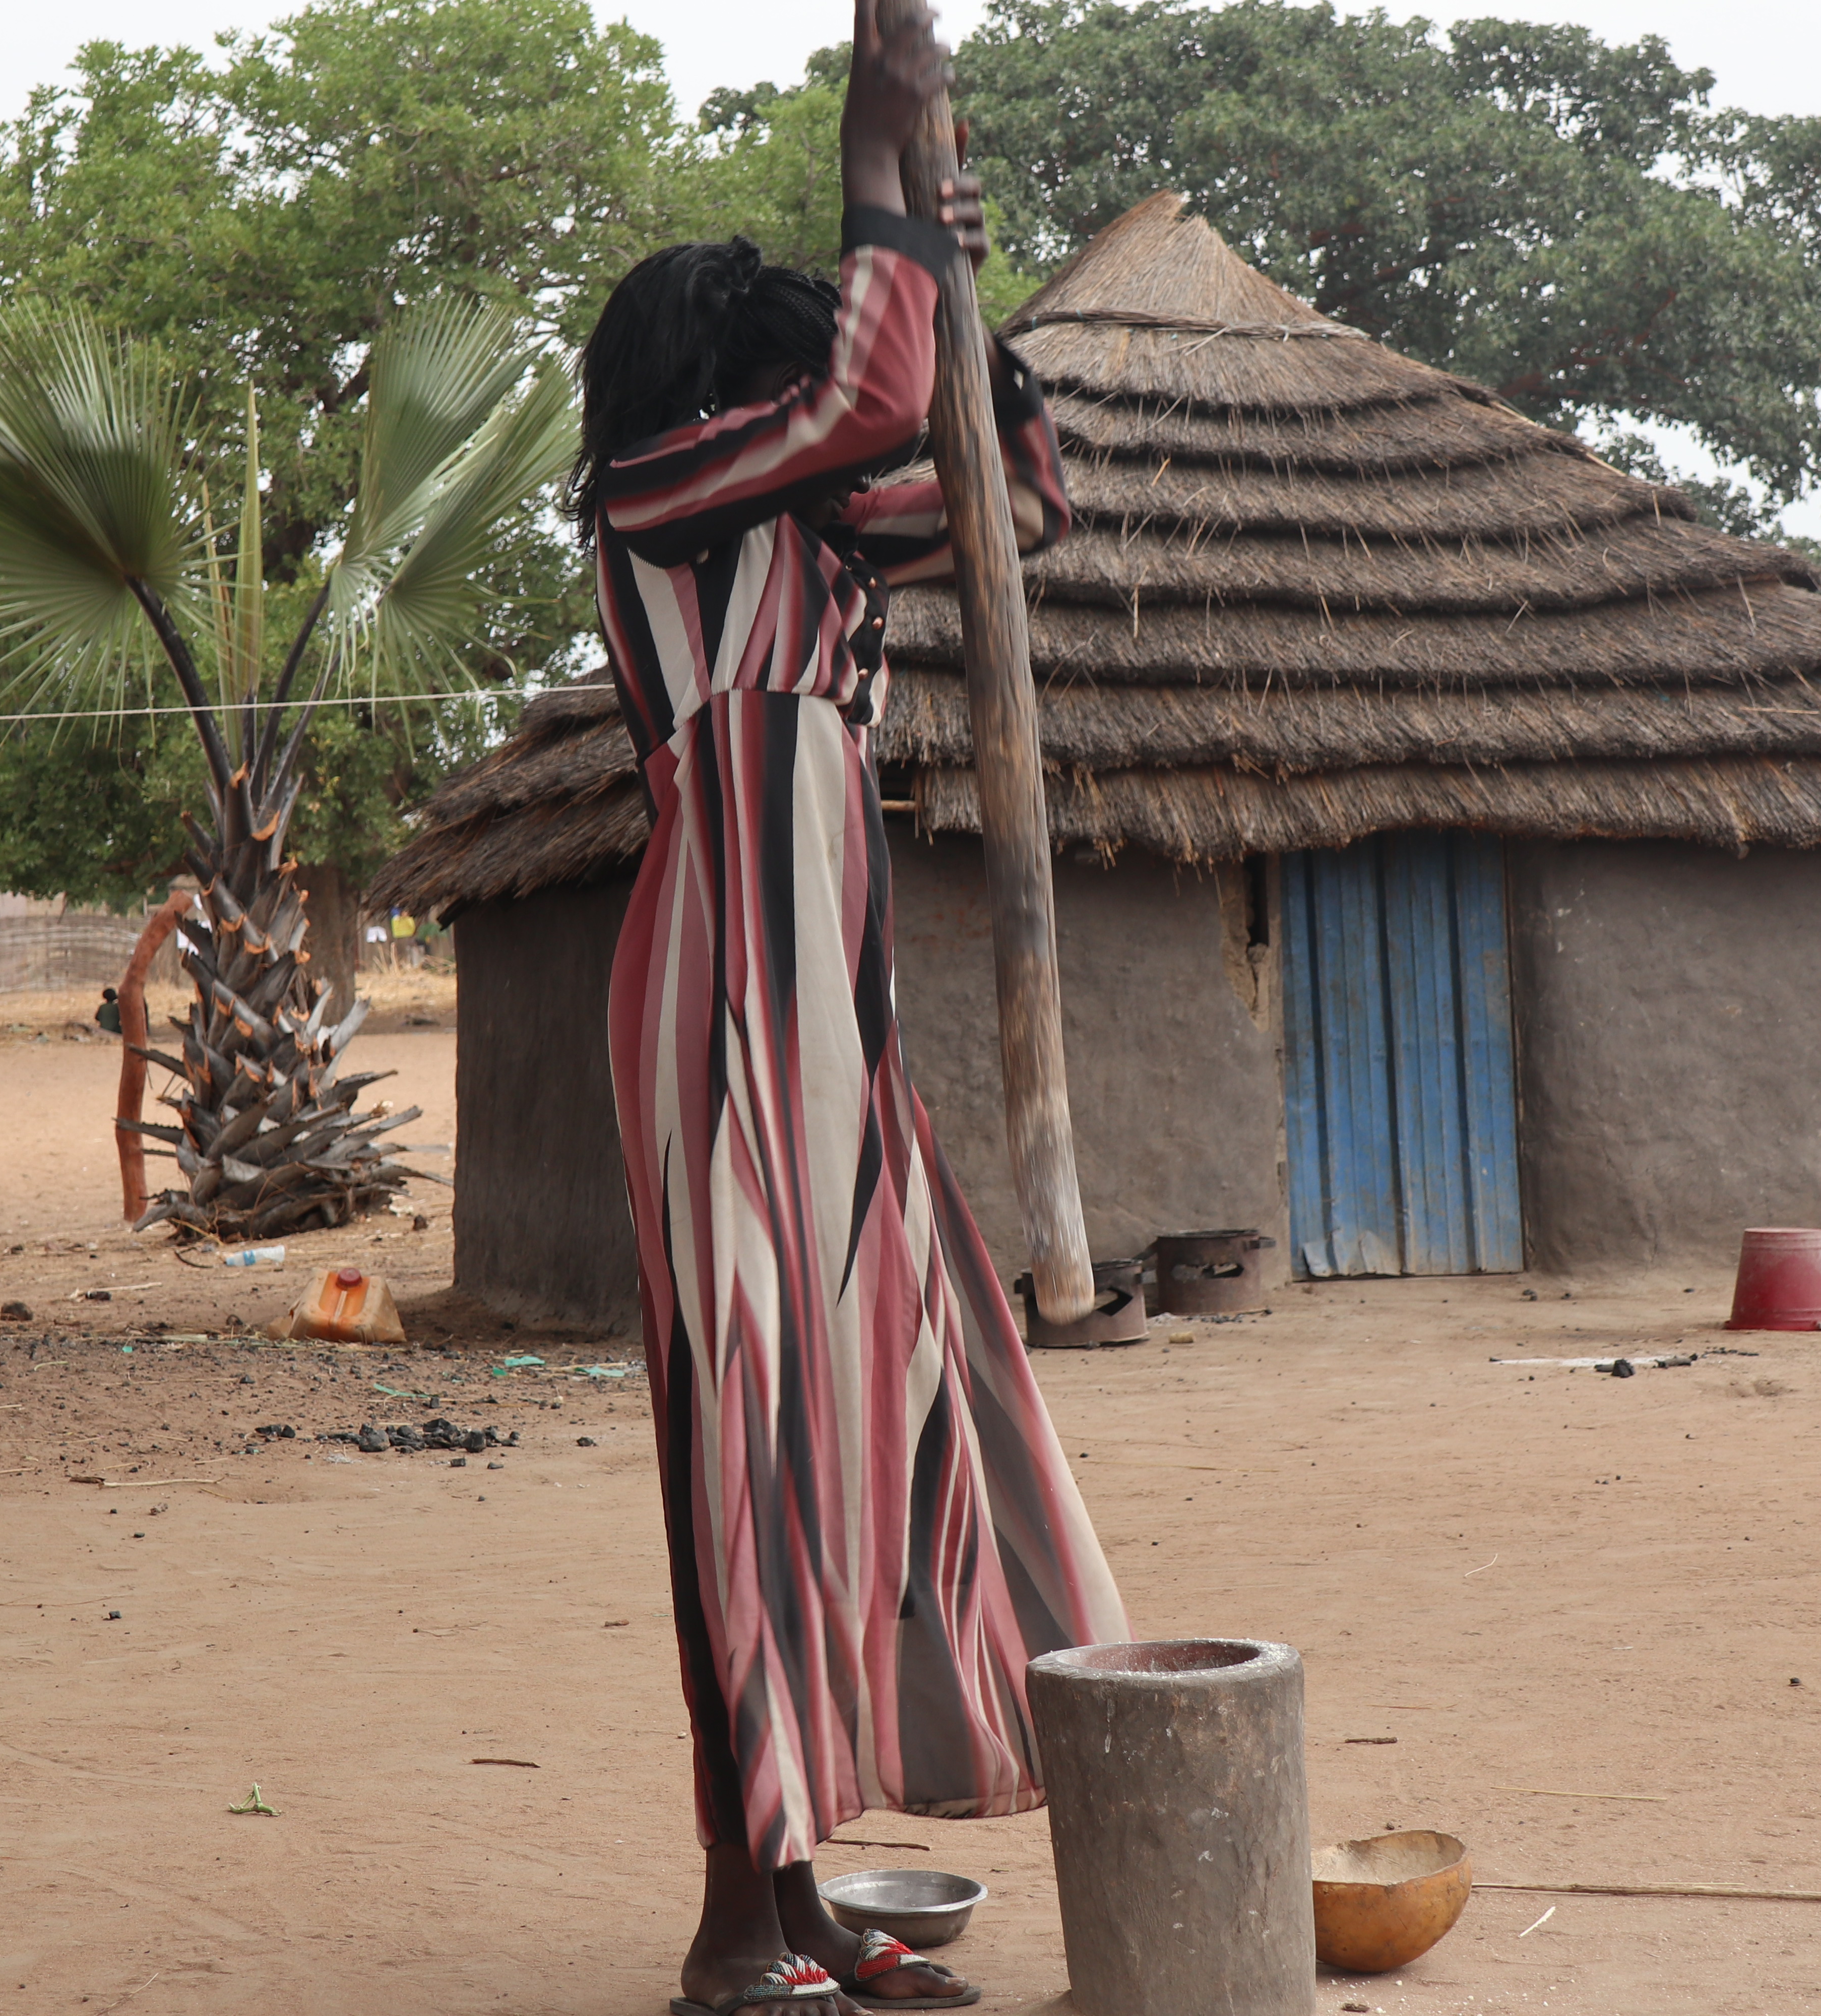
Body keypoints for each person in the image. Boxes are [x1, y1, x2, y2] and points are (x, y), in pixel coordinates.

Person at [571, 8, 1127, 2010]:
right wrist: (871, 168)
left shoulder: (804, 529)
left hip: (833, 1015)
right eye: (787, 366)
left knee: (855, 1427)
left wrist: (960, 286)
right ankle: (736, 1927)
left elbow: (1017, 497)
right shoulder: (663, 494)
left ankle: (798, 1898)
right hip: (730, 990)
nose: (823, 402)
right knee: (754, 1442)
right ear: (716, 383)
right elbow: (874, 392)